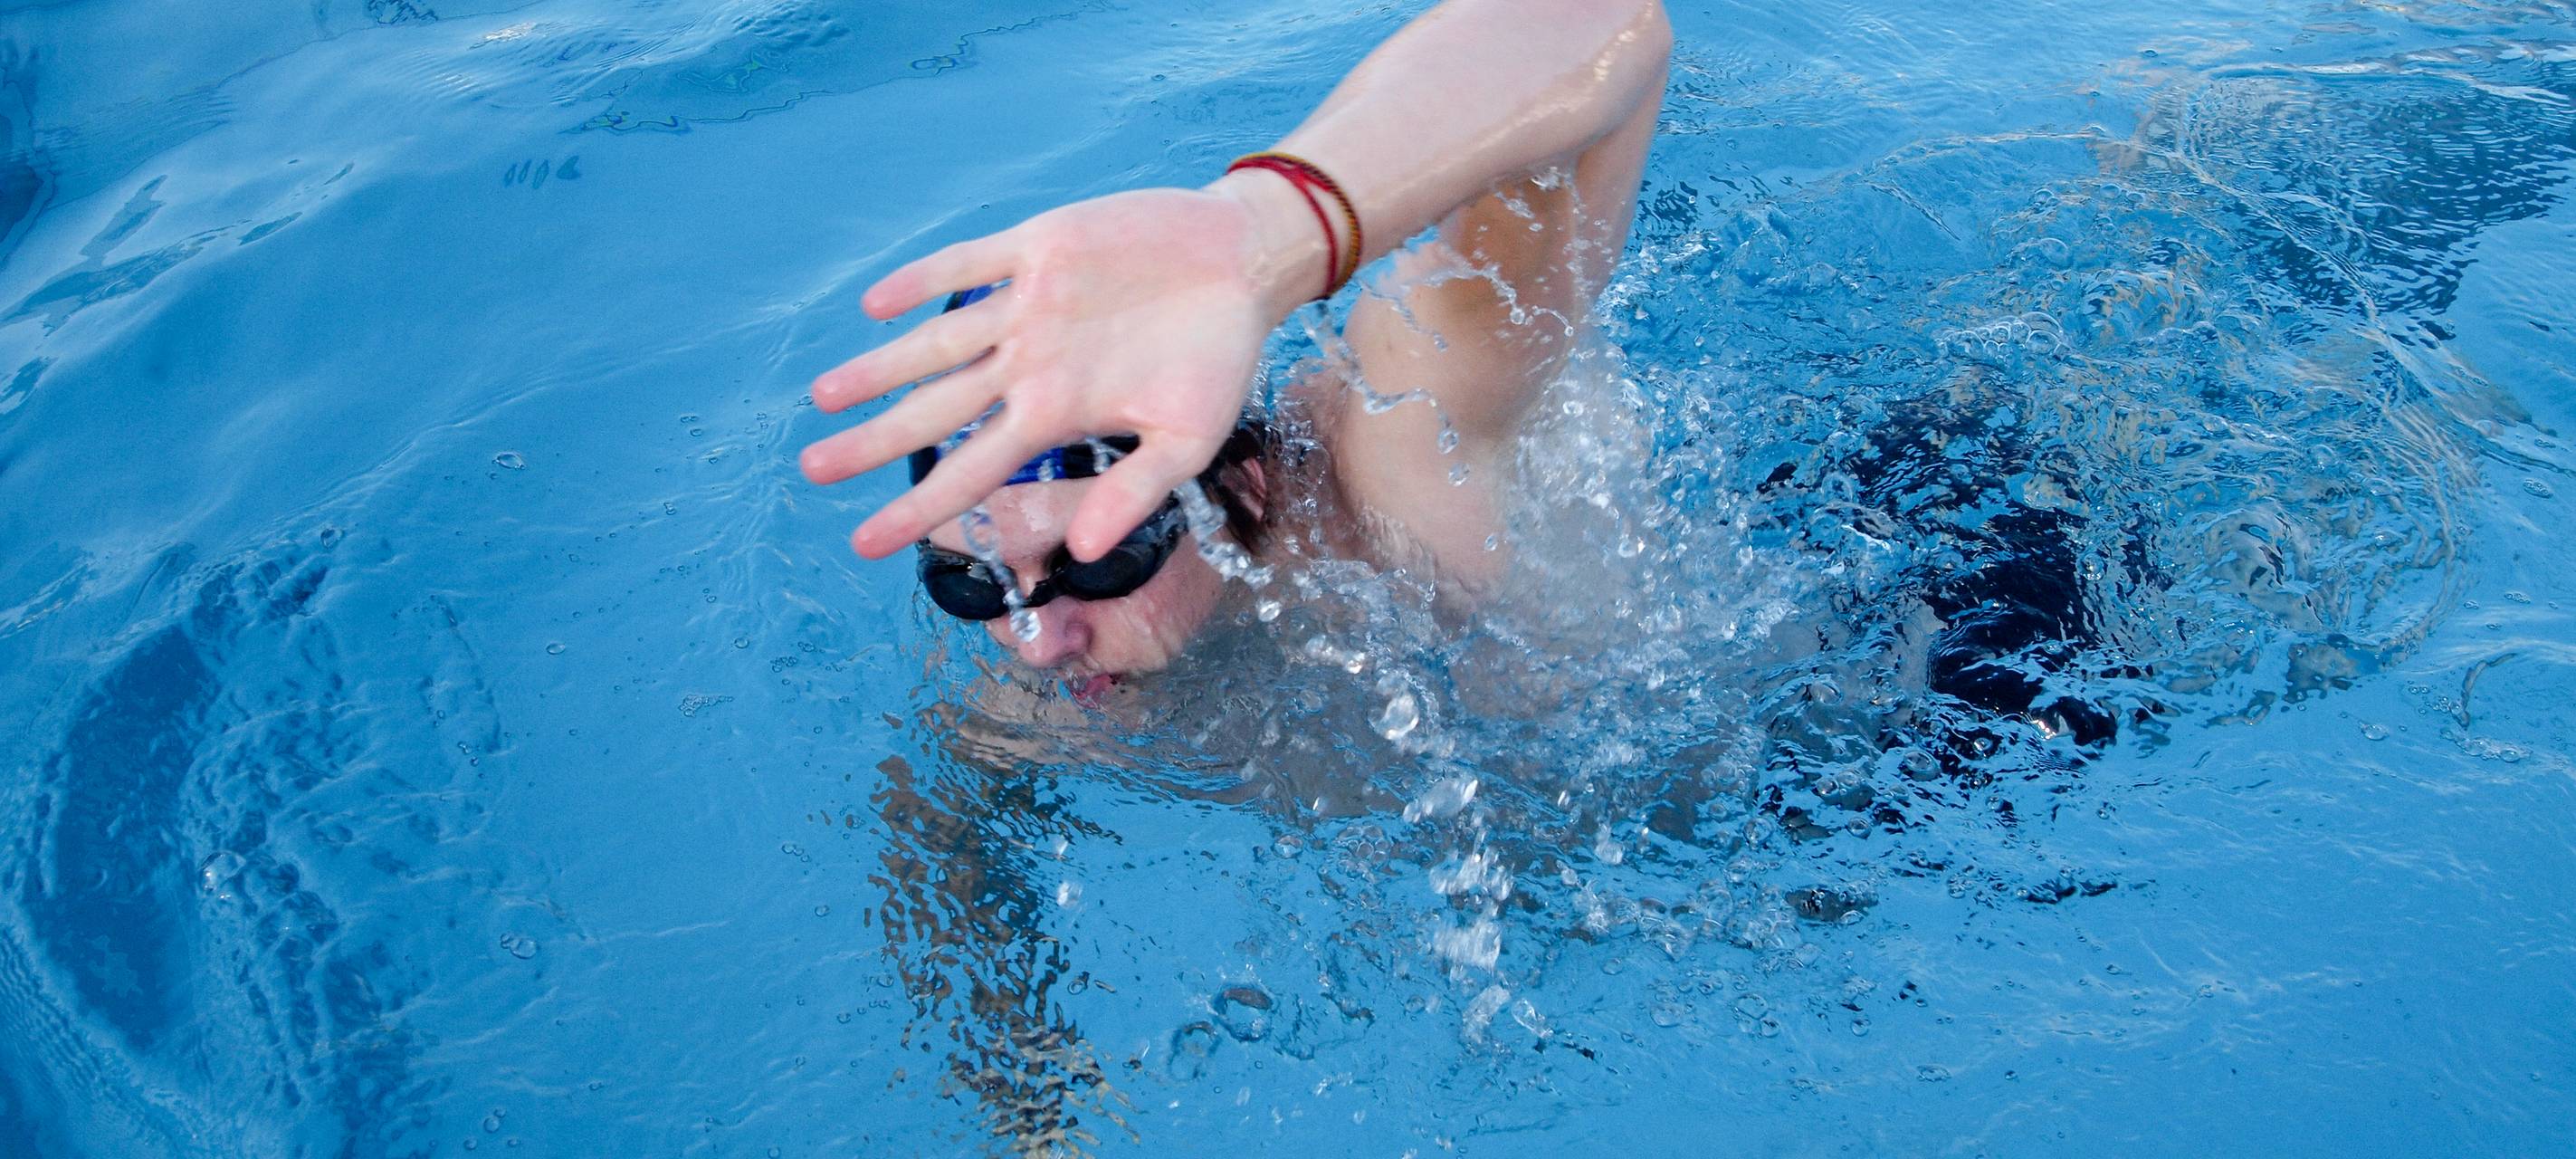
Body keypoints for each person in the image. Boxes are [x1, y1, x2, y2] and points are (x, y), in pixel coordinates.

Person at [799, 0, 1674, 685]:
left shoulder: (1399, 454)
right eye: (971, 581)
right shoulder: (1062, 660)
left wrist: (1266, 229)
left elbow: (1601, 20)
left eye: (1101, 564)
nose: (1037, 646)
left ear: (1242, 492)